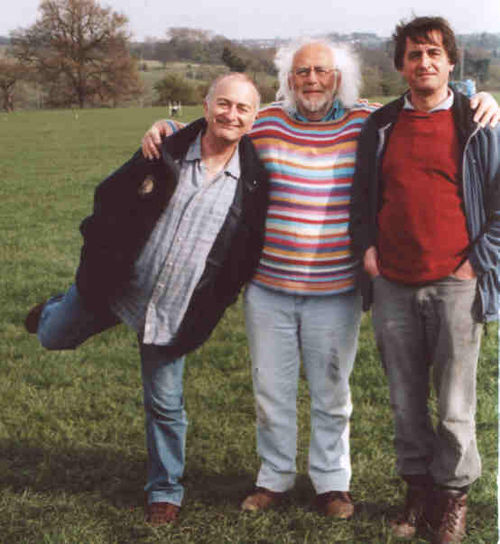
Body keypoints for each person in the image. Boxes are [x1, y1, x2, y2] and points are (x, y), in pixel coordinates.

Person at [142, 39, 500, 520]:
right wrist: (165, 126)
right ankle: (274, 478)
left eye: (322, 72)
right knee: (271, 391)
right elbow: (217, 125)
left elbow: (424, 98)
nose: (311, 80)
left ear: (339, 78)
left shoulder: (367, 122)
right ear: (288, 80)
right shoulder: (265, 121)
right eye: (301, 72)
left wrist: (478, 95)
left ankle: (332, 484)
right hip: (268, 288)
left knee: (333, 393)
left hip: (336, 290)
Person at [24, 73, 269, 526]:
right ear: (206, 102)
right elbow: (107, 197)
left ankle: (165, 490)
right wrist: (97, 260)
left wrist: (212, 306)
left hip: (172, 314)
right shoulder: (166, 149)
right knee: (53, 337)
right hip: (115, 288)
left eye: (243, 108)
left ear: (255, 118)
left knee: (165, 404)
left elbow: (242, 260)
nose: (231, 115)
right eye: (224, 103)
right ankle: (54, 309)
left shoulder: (253, 185)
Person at [350, 17, 500, 543]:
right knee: (405, 398)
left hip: (457, 281)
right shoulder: (382, 124)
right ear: (400, 65)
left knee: (456, 404)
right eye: (414, 55)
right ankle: (417, 488)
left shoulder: (477, 122)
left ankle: (453, 496)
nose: (424, 63)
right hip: (393, 281)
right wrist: (367, 248)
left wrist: (478, 261)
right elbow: (362, 196)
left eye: (434, 53)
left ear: (451, 62)